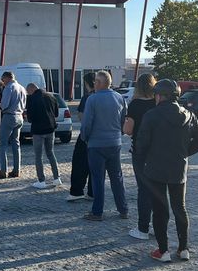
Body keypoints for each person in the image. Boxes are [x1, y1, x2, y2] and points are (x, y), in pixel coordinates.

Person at [137, 79, 198, 261]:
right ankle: (183, 249)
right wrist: (185, 152)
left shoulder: (151, 115)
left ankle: (163, 251)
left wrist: (142, 160)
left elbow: (142, 144)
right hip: (178, 167)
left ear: (160, 95)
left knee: (160, 210)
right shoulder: (188, 115)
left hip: (156, 168)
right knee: (180, 208)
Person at [81, 70, 128, 220]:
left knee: (97, 179)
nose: (93, 83)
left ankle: (97, 212)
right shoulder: (119, 97)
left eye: (95, 81)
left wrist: (85, 138)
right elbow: (123, 120)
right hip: (114, 143)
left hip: (96, 144)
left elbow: (87, 124)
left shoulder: (92, 99)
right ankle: (123, 209)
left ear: (100, 83)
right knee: (117, 177)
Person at [124, 73, 157, 239]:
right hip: (158, 150)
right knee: (157, 188)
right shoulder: (157, 102)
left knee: (143, 189)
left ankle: (143, 227)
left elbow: (128, 130)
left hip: (140, 151)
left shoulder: (135, 105)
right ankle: (156, 226)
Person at [66, 72, 95, 201]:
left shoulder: (87, 97)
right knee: (95, 165)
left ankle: (77, 191)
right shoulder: (111, 96)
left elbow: (83, 117)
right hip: (102, 137)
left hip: (87, 136)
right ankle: (93, 192)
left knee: (79, 163)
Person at [25, 82, 61, 189]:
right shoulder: (50, 96)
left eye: (28, 92)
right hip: (50, 129)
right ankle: (57, 178)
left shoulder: (31, 99)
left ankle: (41, 180)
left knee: (38, 156)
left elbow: (30, 118)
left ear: (31, 90)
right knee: (50, 153)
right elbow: (56, 114)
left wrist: (28, 118)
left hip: (38, 131)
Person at [0, 71, 27, 178]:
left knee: (2, 144)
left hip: (9, 116)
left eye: (3, 80)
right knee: (16, 144)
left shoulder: (9, 87)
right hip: (19, 116)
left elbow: (5, 105)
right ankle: (16, 170)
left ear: (7, 78)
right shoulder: (22, 88)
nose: (3, 82)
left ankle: (3, 171)